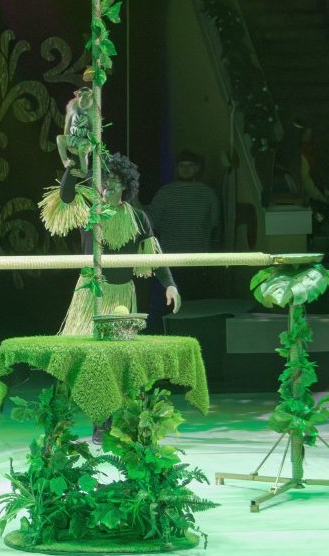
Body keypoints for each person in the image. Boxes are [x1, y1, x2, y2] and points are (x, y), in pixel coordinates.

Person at [45, 153, 180, 444]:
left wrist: (169, 285)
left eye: (115, 183)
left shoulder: (138, 218)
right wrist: (71, 167)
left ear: (126, 187)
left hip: (122, 297)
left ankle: (121, 423)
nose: (108, 188)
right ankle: (79, 424)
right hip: (90, 295)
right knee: (87, 362)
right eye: (104, 182)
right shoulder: (89, 212)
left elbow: (154, 257)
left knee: (118, 364)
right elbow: (66, 197)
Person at [146, 150, 220, 304]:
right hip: (171, 259)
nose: (186, 169)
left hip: (199, 259)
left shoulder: (208, 193)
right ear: (176, 168)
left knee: (198, 303)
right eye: (182, 165)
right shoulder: (165, 193)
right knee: (172, 304)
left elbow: (214, 225)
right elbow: (152, 224)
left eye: (190, 165)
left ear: (197, 168)